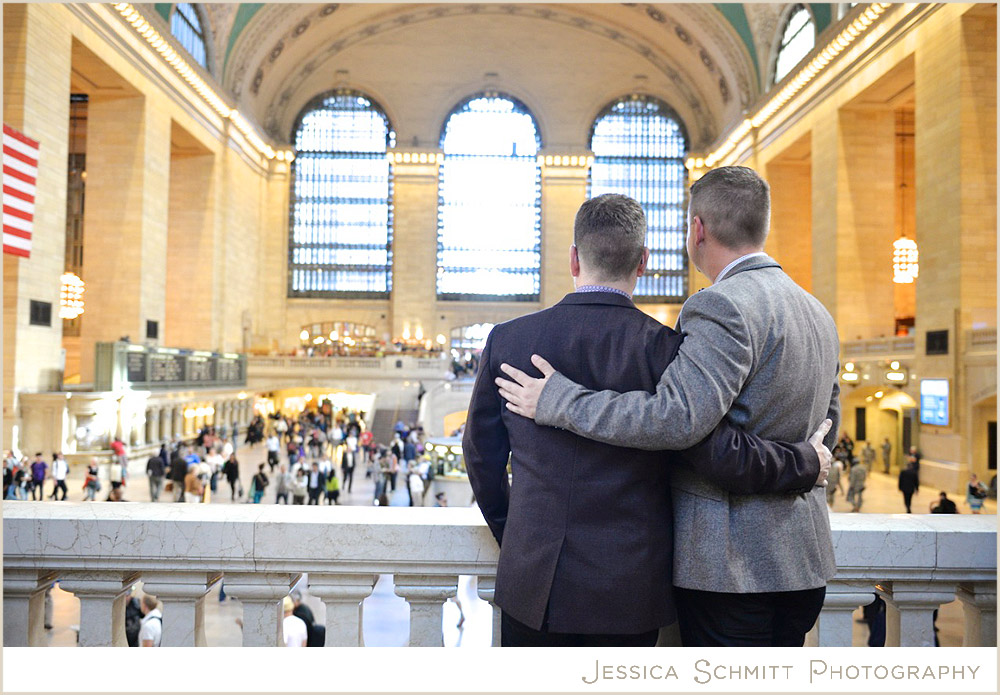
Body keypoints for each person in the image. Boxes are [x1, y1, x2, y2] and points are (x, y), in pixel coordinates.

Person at [495, 170, 841, 648]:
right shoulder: (817, 311)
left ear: (697, 229)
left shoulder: (719, 306)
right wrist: (806, 460)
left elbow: (678, 421)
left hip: (732, 567)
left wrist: (559, 399)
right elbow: (828, 424)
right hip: (803, 560)